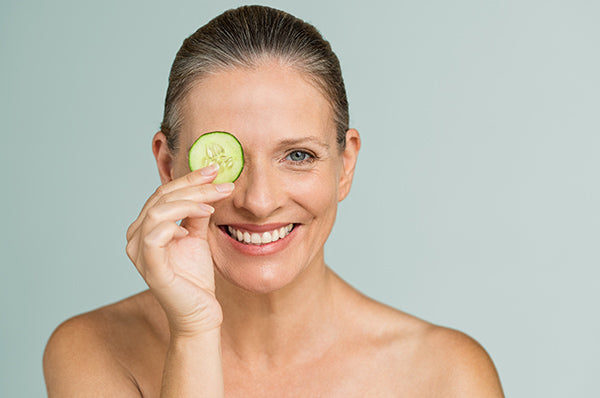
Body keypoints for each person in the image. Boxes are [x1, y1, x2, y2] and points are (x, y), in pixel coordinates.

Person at [43, 5, 504, 397]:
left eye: (298, 155)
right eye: (224, 160)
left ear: (345, 166)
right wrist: (195, 332)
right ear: (168, 168)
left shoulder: (447, 376)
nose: (259, 201)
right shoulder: (92, 349)